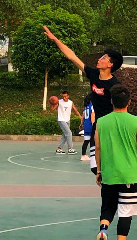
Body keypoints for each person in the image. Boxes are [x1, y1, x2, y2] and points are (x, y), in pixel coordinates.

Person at [44, 25, 122, 176]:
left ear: (110, 64)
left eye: (103, 58)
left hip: (111, 127)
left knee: (111, 166)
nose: (99, 59)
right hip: (97, 126)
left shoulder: (115, 85)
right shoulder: (93, 74)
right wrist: (55, 39)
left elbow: (120, 109)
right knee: (95, 168)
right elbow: (72, 56)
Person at [93, 86, 137, 240]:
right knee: (125, 212)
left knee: (108, 207)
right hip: (130, 175)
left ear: (111, 101)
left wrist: (99, 170)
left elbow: (98, 148)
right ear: (129, 102)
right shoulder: (136, 121)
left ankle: (103, 230)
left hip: (109, 173)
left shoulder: (101, 122)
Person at [79, 95, 95, 163]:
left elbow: (83, 117)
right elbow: (92, 117)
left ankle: (83, 155)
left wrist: (81, 124)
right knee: (93, 141)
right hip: (90, 125)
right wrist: (94, 125)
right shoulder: (92, 106)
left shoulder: (86, 107)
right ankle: (93, 155)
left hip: (86, 125)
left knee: (86, 141)